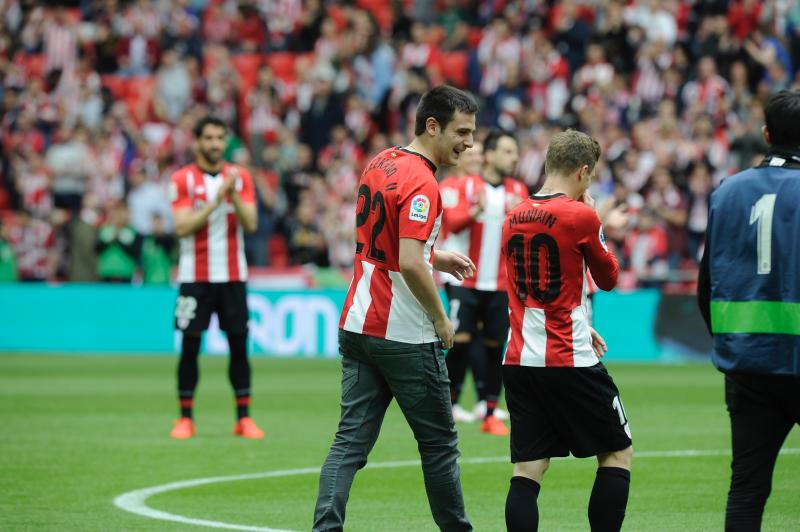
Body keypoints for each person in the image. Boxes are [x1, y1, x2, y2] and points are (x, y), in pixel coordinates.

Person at [313, 85, 478, 532]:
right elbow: (406, 260)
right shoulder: (424, 181)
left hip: (357, 322)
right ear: (432, 125)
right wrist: (442, 317)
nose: (468, 142)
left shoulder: (381, 160)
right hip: (404, 333)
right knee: (440, 445)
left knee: (349, 444)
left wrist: (434, 255)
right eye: (461, 132)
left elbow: (379, 239)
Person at [501, 130, 632, 531]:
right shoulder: (580, 215)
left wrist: (582, 322)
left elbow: (531, 289)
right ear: (582, 171)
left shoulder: (513, 215)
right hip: (567, 357)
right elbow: (608, 278)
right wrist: (599, 223)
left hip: (520, 357)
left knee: (529, 467)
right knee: (616, 452)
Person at [697, 90, 800, 532]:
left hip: (748, 365)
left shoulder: (729, 191)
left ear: (765, 135)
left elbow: (706, 286)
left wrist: (731, 340)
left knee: (747, 490)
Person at [168, 116, 263, 440]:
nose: (215, 144)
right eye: (208, 138)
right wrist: (215, 200)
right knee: (190, 346)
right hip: (194, 276)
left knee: (239, 345)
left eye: (220, 138)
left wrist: (232, 193)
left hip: (233, 276)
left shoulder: (241, 178)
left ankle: (244, 418)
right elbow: (182, 227)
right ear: (197, 142)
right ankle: (185, 418)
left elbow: (251, 223)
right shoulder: (181, 179)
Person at [442, 129, 527, 435]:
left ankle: (489, 411)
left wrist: (521, 215)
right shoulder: (461, 186)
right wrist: (476, 208)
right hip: (464, 280)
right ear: (489, 155)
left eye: (515, 152)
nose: (514, 157)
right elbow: (450, 223)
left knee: (495, 348)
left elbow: (529, 236)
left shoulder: (518, 190)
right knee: (459, 342)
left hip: (502, 285)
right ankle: (448, 405)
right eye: (507, 151)